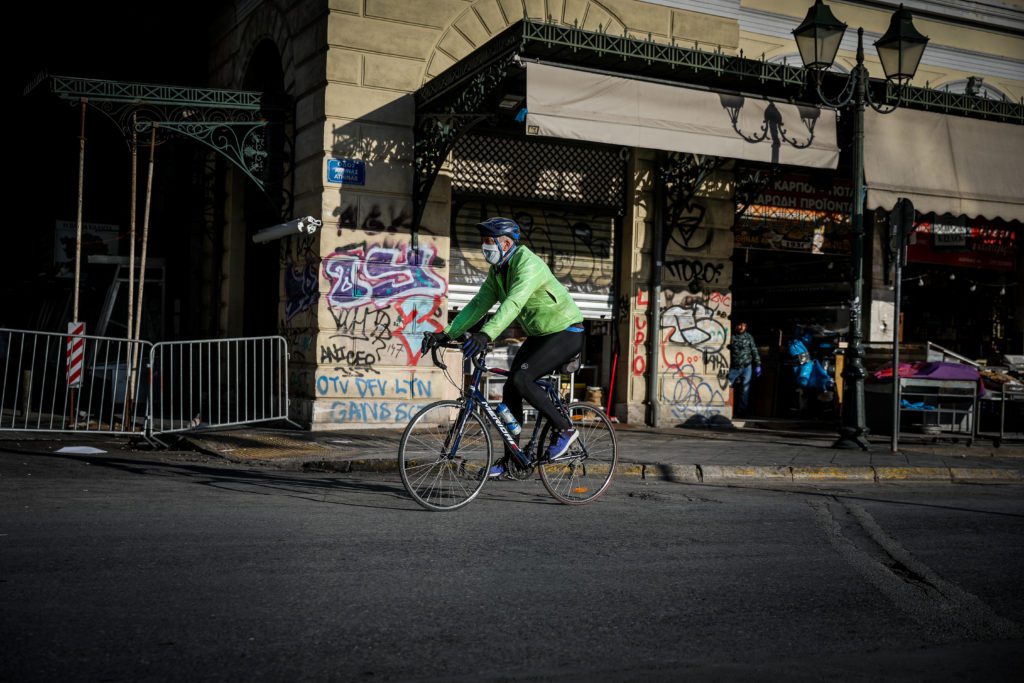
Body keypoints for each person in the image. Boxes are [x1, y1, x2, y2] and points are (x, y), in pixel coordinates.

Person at [422, 217, 585, 478]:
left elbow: (514, 303)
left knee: (522, 378)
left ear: (506, 243)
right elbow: (478, 305)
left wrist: (486, 335)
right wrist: (445, 334)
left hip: (566, 330)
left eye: (489, 241)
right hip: (539, 334)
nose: (484, 247)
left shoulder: (527, 264)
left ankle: (564, 428)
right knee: (511, 389)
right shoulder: (498, 272)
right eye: (483, 242)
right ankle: (513, 460)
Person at [727, 321, 761, 417]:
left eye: (743, 325)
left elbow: (754, 350)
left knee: (745, 390)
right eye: (739, 325)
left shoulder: (749, 337)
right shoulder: (731, 337)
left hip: (747, 367)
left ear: (746, 326)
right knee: (727, 387)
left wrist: (758, 364)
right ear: (736, 326)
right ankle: (727, 409)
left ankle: (742, 412)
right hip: (734, 367)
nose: (741, 327)